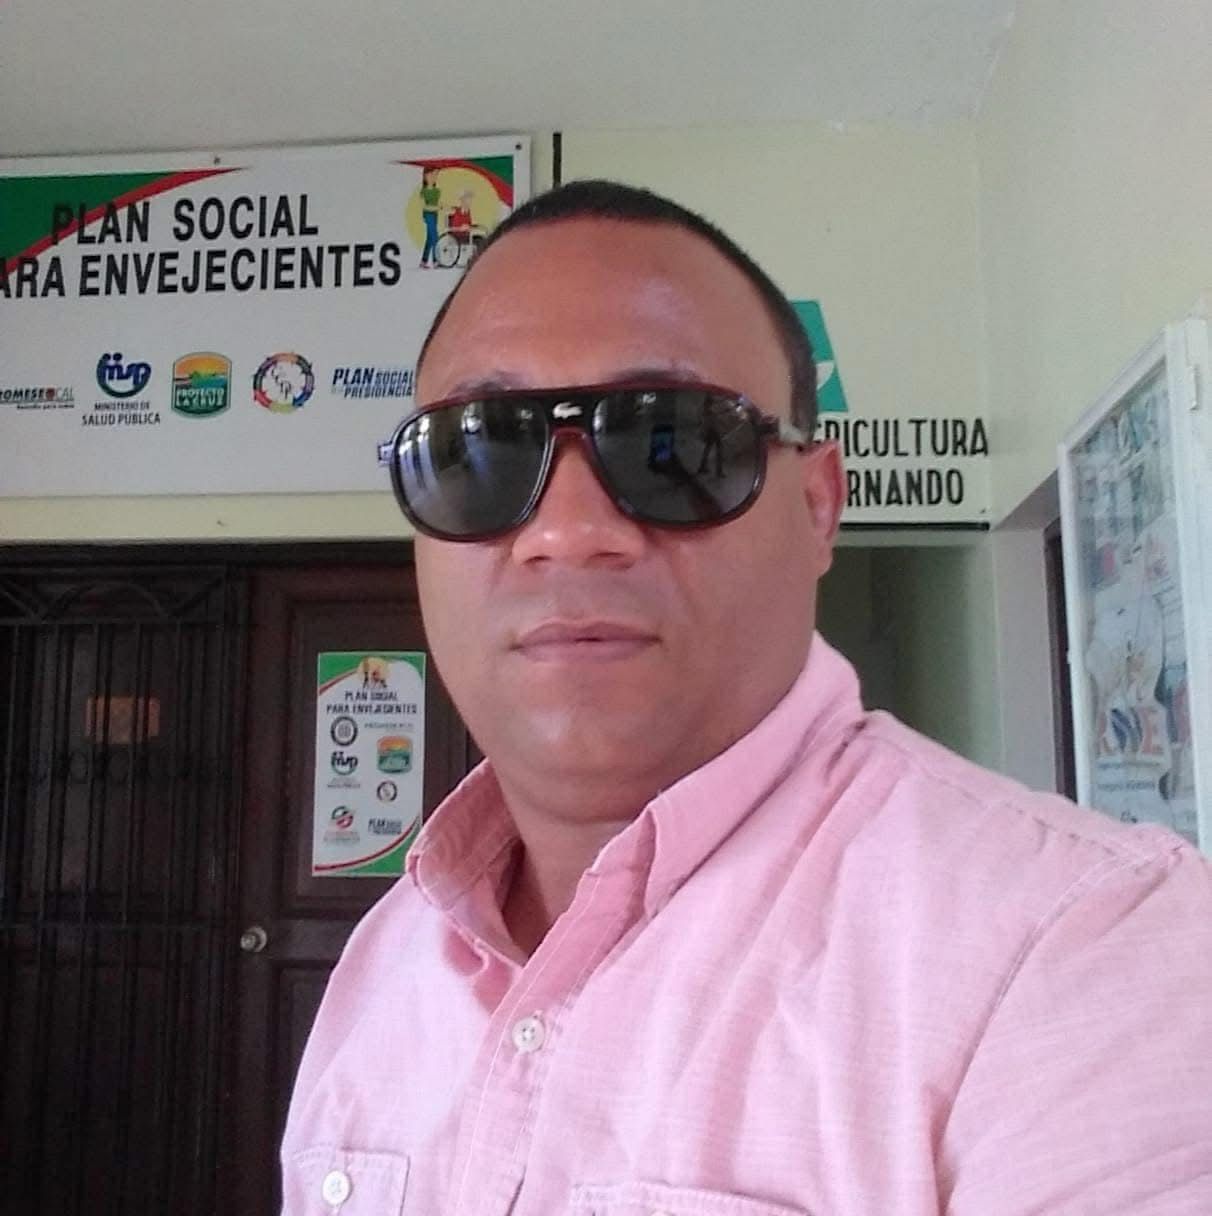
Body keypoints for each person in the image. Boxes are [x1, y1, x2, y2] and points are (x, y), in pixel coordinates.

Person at [282, 181, 1212, 1214]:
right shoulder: (384, 966)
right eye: (479, 449)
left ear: (817, 505)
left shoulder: (1087, 950)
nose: (567, 531)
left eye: (671, 443)